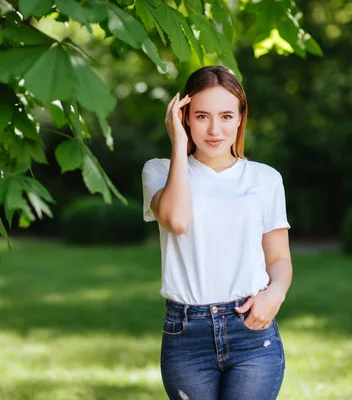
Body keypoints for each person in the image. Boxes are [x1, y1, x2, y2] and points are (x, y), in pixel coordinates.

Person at [141, 65, 292, 400]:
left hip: (251, 330)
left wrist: (275, 294)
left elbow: (279, 257)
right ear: (183, 118)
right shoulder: (159, 171)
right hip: (185, 336)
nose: (214, 129)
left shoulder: (265, 179)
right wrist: (178, 146)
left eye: (225, 116)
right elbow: (177, 220)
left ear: (240, 118)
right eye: (200, 116)